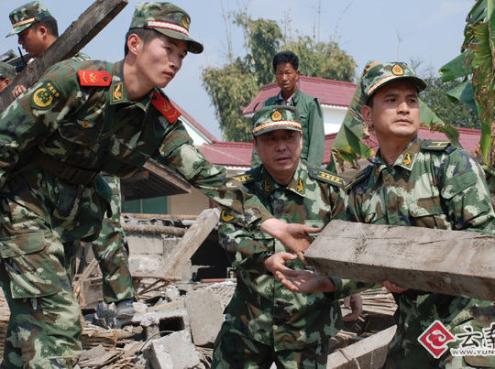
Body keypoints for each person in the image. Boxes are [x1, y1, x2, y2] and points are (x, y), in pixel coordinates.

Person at [0, 3, 313, 368]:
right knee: (58, 322)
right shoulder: (76, 81)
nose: (175, 62)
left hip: (64, 220)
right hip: (22, 208)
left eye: (181, 55)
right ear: (135, 43)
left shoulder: (157, 117)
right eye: (167, 49)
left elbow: (206, 175)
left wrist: (269, 222)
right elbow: (6, 141)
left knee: (29, 326)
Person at [274, 62, 495, 369]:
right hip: (415, 325)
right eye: (391, 100)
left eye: (412, 100)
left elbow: (487, 242)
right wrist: (323, 282)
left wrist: (413, 269)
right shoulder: (362, 188)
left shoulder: (448, 165)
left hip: (467, 318)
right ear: (368, 116)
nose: (404, 108)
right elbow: (355, 262)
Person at [7, 0, 135, 322]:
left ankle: (123, 303)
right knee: (56, 239)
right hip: (57, 176)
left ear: (42, 29)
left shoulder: (80, 65)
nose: (21, 42)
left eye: (24, 35)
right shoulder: (34, 73)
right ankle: (63, 311)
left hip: (92, 170)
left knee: (106, 232)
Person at [213, 105, 363, 369]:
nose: (281, 146)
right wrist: (264, 258)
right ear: (256, 145)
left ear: (301, 140)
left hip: (307, 329)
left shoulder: (331, 192)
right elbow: (229, 238)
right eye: (271, 139)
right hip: (248, 325)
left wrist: (341, 287)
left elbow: (354, 254)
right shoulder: (242, 192)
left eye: (288, 137)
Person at [252, 51, 325, 167]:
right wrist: (256, 172)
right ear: (275, 76)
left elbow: (317, 144)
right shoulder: (267, 106)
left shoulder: (310, 104)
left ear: (297, 74)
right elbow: (259, 142)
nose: (284, 78)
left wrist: (311, 175)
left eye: (288, 73)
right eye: (280, 73)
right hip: (274, 170)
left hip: (302, 170)